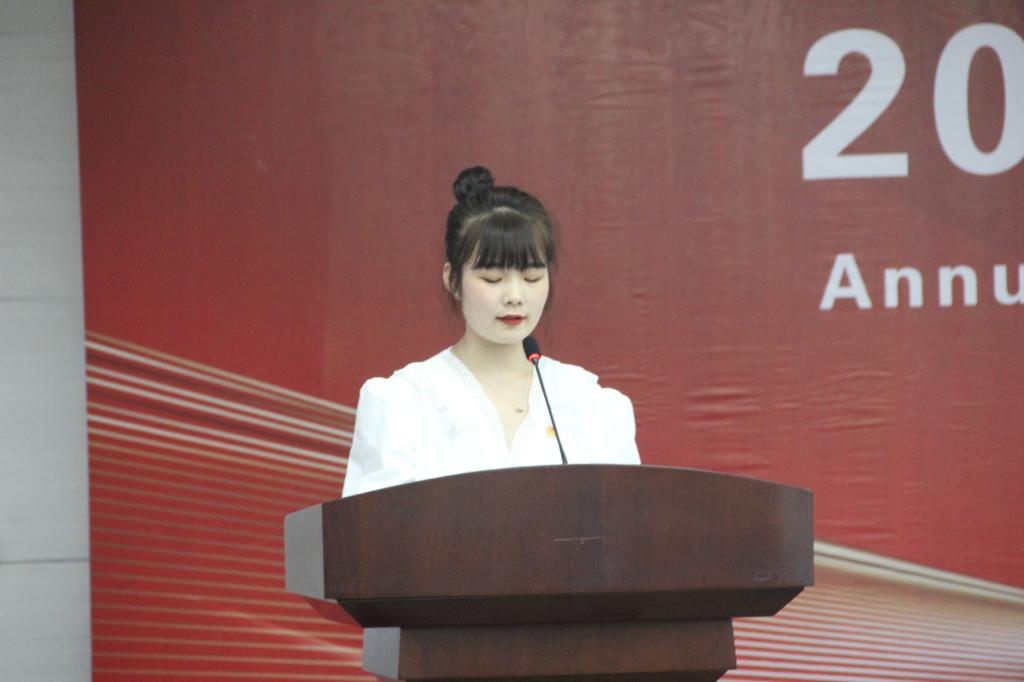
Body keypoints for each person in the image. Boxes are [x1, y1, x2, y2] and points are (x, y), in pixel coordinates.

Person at [341, 166, 639, 497]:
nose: (515, 296)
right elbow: (369, 527)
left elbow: (624, 522)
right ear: (452, 279)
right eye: (492, 279)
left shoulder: (593, 406)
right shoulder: (402, 403)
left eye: (532, 278)